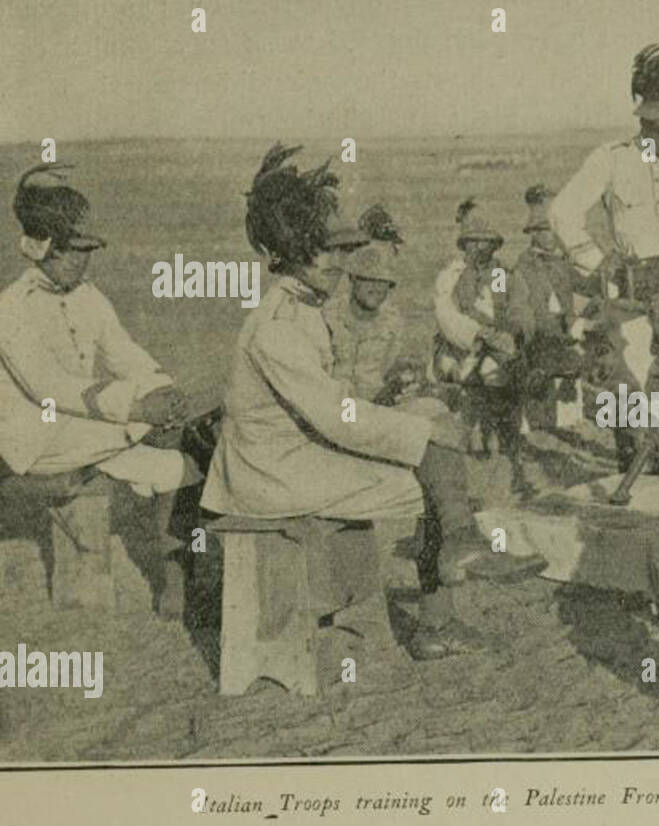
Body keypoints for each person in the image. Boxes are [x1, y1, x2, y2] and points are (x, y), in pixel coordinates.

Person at [201, 144, 540, 660]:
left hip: (297, 454)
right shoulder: (278, 327)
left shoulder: (302, 308)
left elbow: (340, 409)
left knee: (432, 427)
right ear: (289, 251)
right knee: (433, 470)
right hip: (270, 476)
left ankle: (458, 543)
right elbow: (339, 420)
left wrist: (417, 420)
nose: (341, 263)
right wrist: (418, 434)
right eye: (327, 251)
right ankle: (441, 608)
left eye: (341, 250)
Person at [0, 163, 201, 616]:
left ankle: (176, 578)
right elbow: (50, 390)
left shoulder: (88, 295)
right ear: (44, 247)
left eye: (88, 249)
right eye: (74, 250)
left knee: (179, 465)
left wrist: (162, 389)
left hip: (86, 430)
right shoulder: (10, 308)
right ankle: (167, 573)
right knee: (154, 438)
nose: (84, 259)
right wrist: (137, 407)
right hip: (35, 440)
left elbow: (122, 351)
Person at [550, 44, 659, 472]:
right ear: (645, 123)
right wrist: (596, 259)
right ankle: (633, 462)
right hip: (633, 296)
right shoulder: (611, 160)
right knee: (631, 382)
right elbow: (563, 212)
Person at [431, 198, 522, 468]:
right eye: (472, 242)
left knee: (497, 373)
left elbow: (509, 306)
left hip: (495, 346)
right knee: (466, 377)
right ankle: (468, 436)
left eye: (485, 242)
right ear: (464, 244)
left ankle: (497, 435)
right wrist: (480, 335)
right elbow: (446, 316)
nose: (479, 248)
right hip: (460, 347)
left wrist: (507, 332)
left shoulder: (500, 273)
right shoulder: (452, 275)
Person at [507, 184, 585, 433]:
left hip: (563, 337)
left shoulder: (562, 262)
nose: (553, 236)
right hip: (540, 341)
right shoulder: (524, 265)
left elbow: (584, 287)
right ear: (535, 233)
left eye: (555, 231)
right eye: (548, 231)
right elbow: (522, 310)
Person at [324, 205, 407, 402]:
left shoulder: (392, 323)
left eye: (384, 281)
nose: (376, 287)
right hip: (334, 412)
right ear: (352, 277)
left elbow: (385, 370)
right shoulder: (327, 317)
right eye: (368, 277)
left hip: (372, 411)